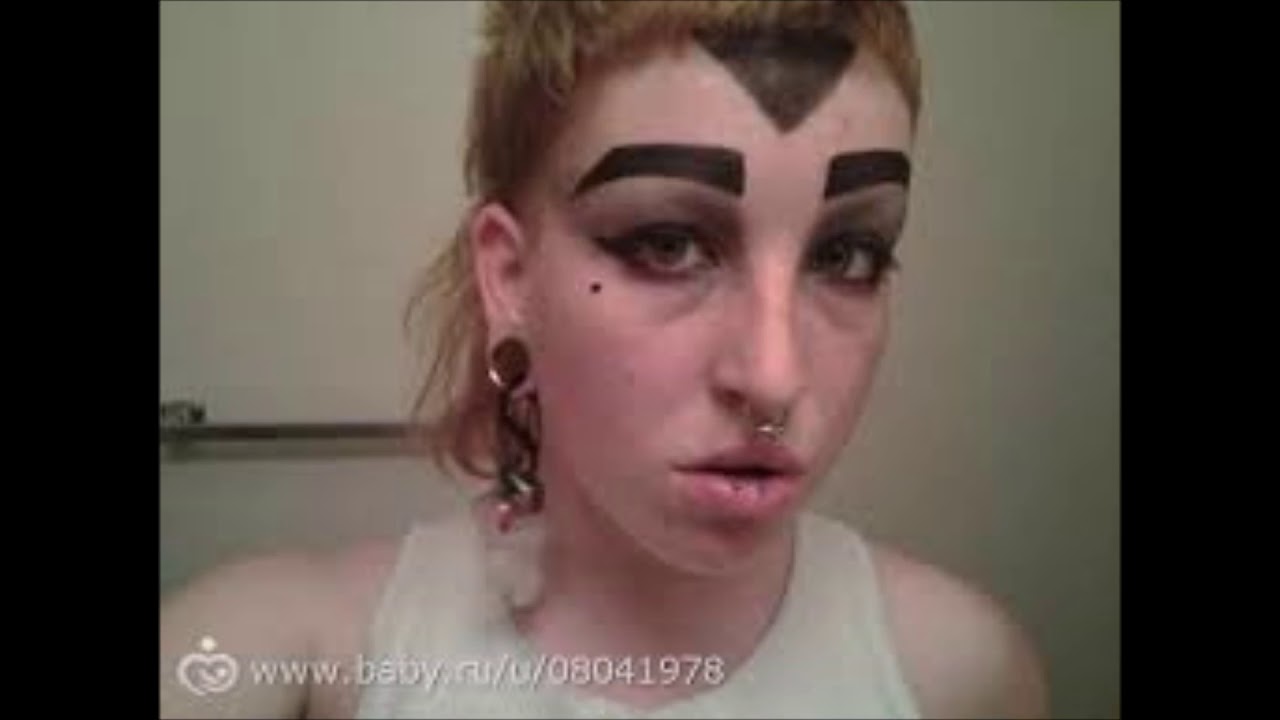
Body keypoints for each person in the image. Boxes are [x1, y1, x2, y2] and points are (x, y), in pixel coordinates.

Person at [160, 2, 1049, 717]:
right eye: (668, 244)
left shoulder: (962, 675)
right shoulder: (283, 653)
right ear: (511, 276)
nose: (775, 378)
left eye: (847, 256)